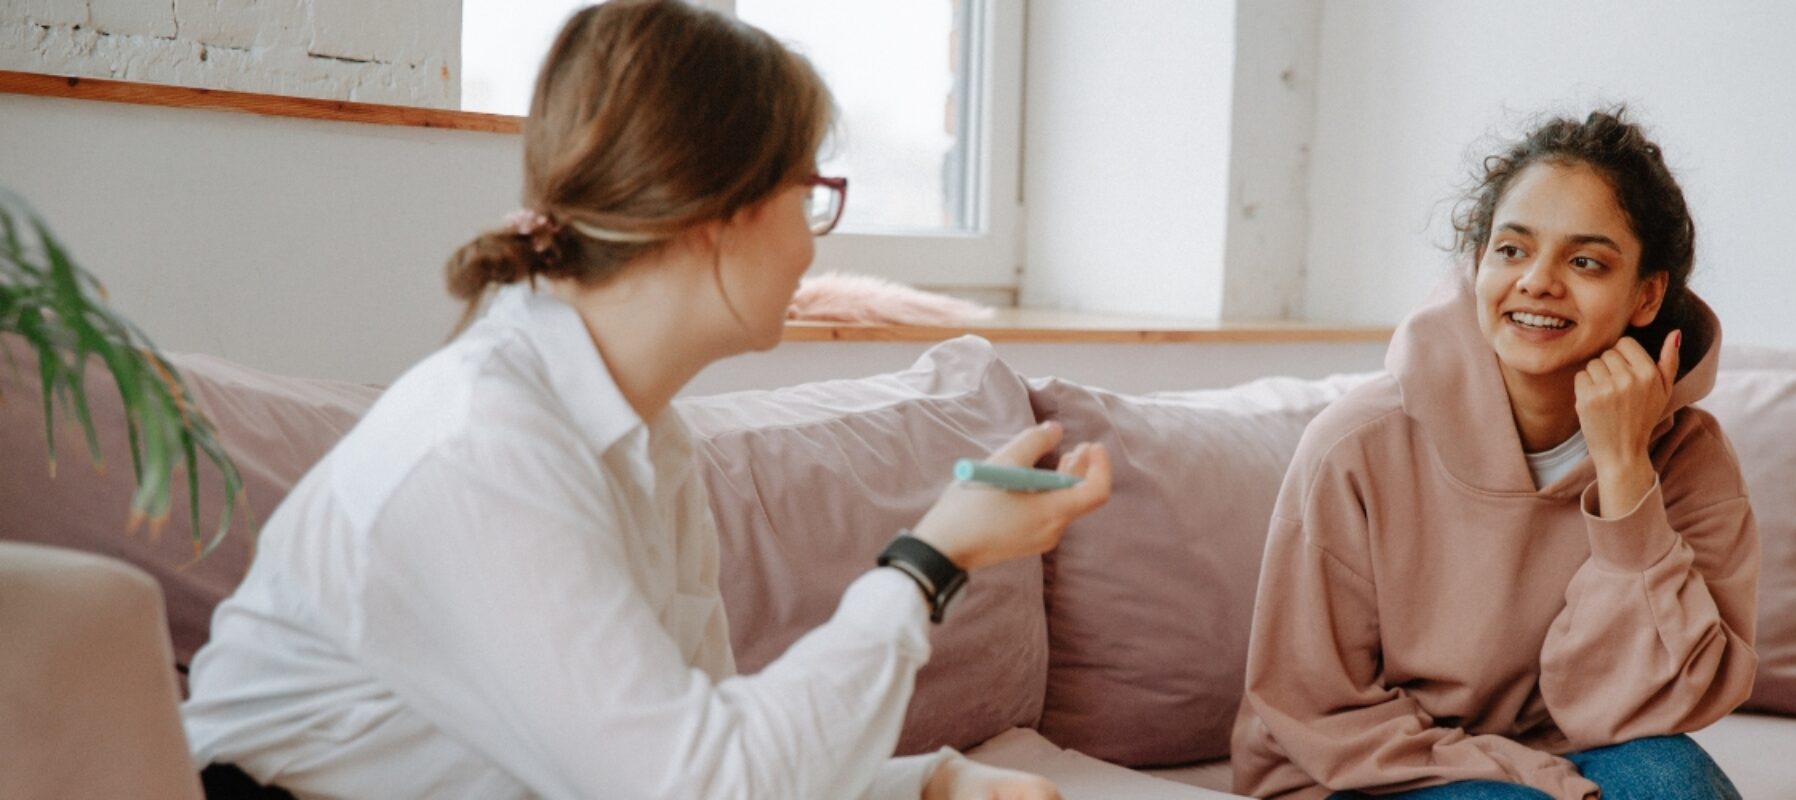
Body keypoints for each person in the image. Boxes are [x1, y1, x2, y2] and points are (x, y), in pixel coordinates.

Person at [180, 2, 1110, 797]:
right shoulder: (487, 447)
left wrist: (930, 783)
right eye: (809, 195)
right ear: (719, 212)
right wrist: (929, 558)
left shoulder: (644, 437)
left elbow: (693, 749)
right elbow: (695, 786)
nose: (811, 244)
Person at [1231, 109, 1757, 800]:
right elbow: (1315, 705)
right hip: (1362, 770)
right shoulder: (1354, 446)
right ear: (1477, 262)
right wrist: (1529, 778)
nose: (1538, 281)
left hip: (1567, 748)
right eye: (1512, 250)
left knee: (1674, 781)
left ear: (1647, 294)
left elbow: (1662, 704)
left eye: (1586, 261)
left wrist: (1625, 473)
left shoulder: (1690, 457)